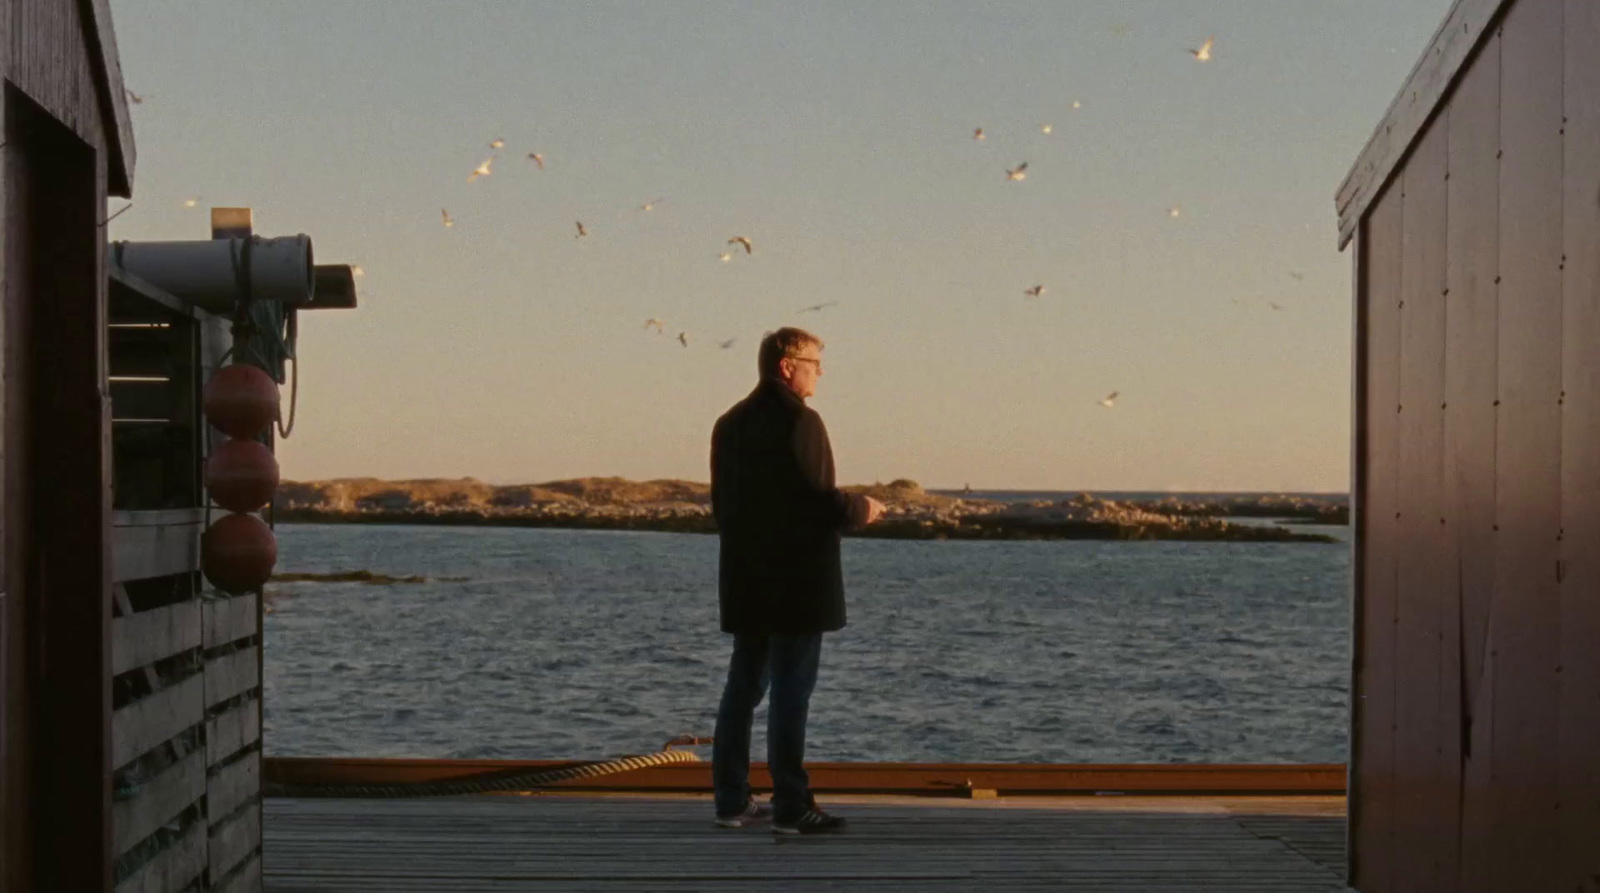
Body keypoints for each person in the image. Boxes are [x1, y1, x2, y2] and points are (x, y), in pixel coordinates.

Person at [708, 327, 885, 835]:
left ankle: (730, 799)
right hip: (797, 584)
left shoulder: (729, 423)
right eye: (814, 362)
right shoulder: (801, 422)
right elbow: (814, 499)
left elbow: (726, 507)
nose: (821, 372)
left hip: (747, 580)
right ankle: (791, 804)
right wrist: (861, 508)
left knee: (742, 688)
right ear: (787, 365)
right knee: (791, 692)